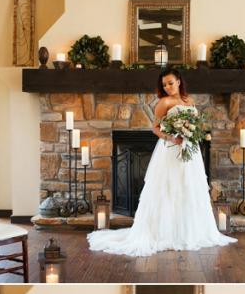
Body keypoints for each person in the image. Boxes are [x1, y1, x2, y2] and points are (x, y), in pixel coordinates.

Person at [88, 69, 237, 256]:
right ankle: (164, 233)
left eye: (170, 83)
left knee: (188, 187)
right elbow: (155, 128)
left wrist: (192, 132)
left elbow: (196, 124)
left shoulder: (189, 101)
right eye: (164, 84)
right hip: (171, 149)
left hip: (190, 150)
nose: (167, 87)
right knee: (169, 187)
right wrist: (172, 137)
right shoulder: (163, 103)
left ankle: (189, 232)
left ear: (179, 82)